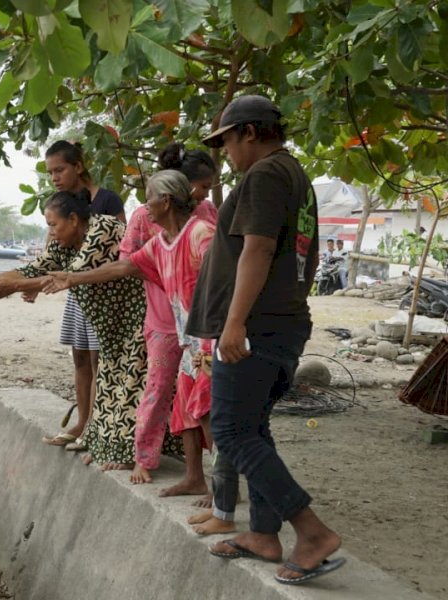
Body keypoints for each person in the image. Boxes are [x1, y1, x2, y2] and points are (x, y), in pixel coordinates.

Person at [188, 95, 344, 584]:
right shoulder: (294, 175)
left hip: (258, 326)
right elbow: (306, 258)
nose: (226, 153)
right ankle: (262, 532)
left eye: (227, 141)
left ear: (250, 133)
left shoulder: (264, 175)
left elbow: (257, 249)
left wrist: (235, 324)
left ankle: (312, 532)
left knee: (232, 432)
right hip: (283, 319)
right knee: (252, 429)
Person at [46, 171, 215, 495]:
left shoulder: (200, 234)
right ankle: (195, 477)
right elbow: (124, 266)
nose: (144, 206)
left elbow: (223, 279)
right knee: (184, 408)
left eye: (149, 198)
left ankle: (223, 493)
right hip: (184, 336)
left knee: (209, 412)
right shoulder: (161, 243)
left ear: (165, 201)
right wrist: (73, 278)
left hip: (207, 340)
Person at [0, 189, 147, 469]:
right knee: (109, 387)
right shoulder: (65, 241)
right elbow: (33, 270)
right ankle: (110, 448)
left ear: (73, 219)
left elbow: (69, 276)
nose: (51, 232)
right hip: (110, 324)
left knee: (130, 388)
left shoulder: (102, 229)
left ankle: (129, 455)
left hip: (138, 316)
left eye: (53, 225)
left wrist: (14, 287)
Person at [120, 143, 218, 488]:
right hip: (165, 318)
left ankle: (217, 483)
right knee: (163, 391)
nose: (204, 194)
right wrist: (165, 271)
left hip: (201, 328)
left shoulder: (203, 221)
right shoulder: (147, 219)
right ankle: (151, 460)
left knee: (202, 402)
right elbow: (129, 261)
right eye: (203, 186)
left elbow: (217, 269)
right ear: (183, 187)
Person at [38, 141, 126, 448]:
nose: (55, 178)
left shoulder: (107, 201)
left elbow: (121, 249)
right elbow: (54, 251)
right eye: (50, 173)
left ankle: (97, 426)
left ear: (78, 166)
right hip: (75, 290)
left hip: (102, 292)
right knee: (80, 357)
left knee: (98, 358)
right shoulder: (63, 205)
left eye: (60, 170)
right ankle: (83, 422)